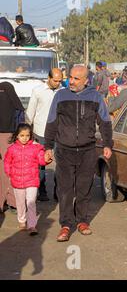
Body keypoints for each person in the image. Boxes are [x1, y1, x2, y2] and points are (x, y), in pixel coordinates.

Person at [44, 66, 113, 242]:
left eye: (76, 79)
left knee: (84, 189)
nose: (71, 82)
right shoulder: (60, 96)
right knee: (65, 190)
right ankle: (66, 225)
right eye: (71, 78)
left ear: (86, 81)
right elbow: (52, 121)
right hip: (64, 150)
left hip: (87, 151)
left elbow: (105, 122)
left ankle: (82, 221)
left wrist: (107, 144)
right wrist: (47, 147)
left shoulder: (95, 97)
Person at [3, 124, 48, 236]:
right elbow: (7, 162)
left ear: (31, 136)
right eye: (22, 135)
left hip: (32, 181)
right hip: (17, 181)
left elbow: (42, 161)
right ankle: (22, 220)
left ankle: (32, 225)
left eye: (27, 135)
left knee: (31, 202)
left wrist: (46, 159)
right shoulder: (12, 149)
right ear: (17, 136)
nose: (25, 138)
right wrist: (10, 173)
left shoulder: (36, 148)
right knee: (20, 203)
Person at [26, 68, 63, 201]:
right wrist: (27, 130)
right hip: (40, 132)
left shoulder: (63, 92)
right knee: (40, 163)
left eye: (60, 81)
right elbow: (30, 112)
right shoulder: (38, 91)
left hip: (59, 133)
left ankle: (58, 191)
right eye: (55, 80)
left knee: (61, 162)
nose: (58, 83)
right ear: (48, 77)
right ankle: (42, 191)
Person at [0, 82, 25, 212]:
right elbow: (22, 123)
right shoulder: (17, 106)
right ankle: (13, 201)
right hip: (12, 138)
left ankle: (6, 201)